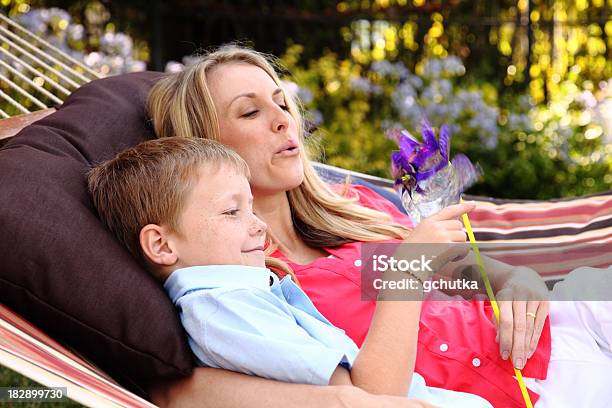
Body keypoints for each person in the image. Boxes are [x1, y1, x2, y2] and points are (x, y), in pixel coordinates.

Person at [145, 45, 612, 407]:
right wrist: (409, 266)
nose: (283, 121)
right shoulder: (254, 284)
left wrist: (518, 278)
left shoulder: (347, 207)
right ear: (204, 144)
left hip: (561, 322)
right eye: (250, 112)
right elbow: (181, 392)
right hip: (529, 389)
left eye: (281, 102)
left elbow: (458, 270)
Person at [87, 136, 493, 408]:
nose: (258, 225)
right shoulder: (225, 310)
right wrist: (407, 271)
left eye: (250, 208)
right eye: (232, 212)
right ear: (161, 245)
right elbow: (371, 397)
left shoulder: (247, 295)